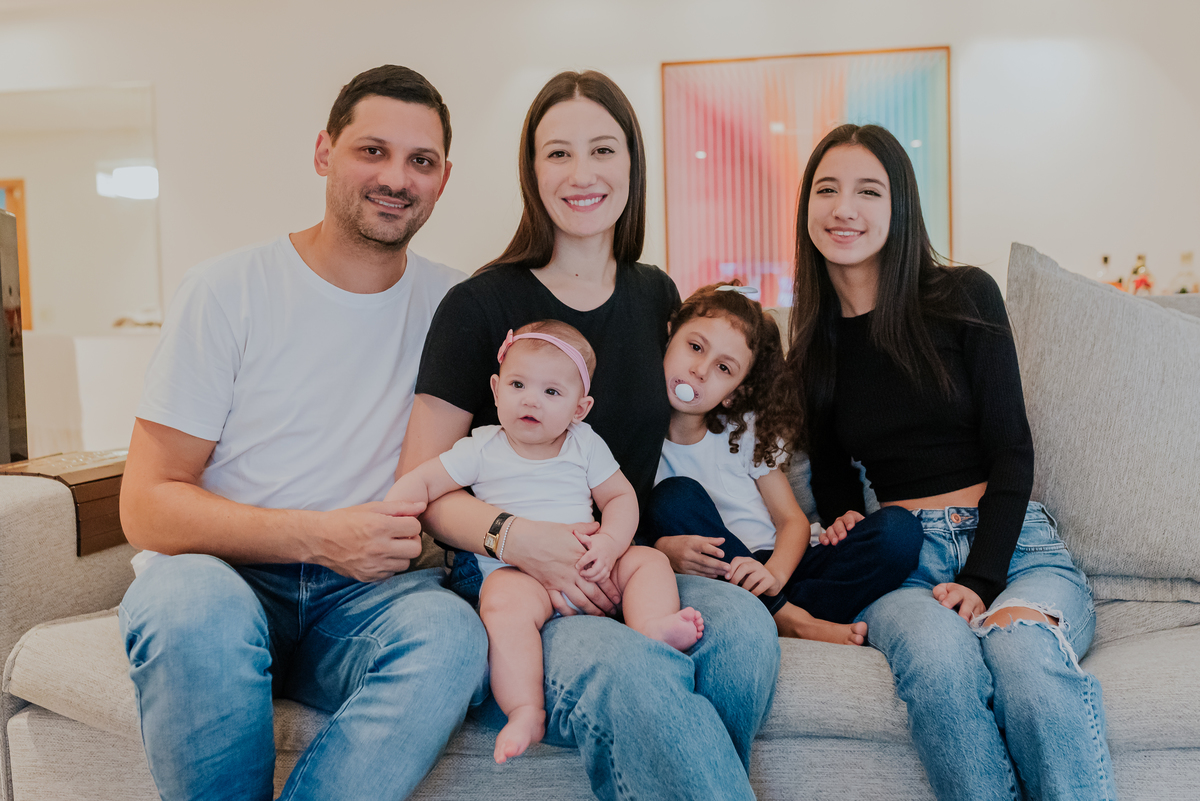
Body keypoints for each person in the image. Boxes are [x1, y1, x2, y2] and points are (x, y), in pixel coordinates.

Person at [399, 70, 778, 800]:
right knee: (638, 674)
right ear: (531, 170)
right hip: (521, 579)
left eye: (603, 150)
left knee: (746, 638)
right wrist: (517, 538)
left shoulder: (657, 297)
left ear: (633, 164)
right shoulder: (480, 303)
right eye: (558, 154)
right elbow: (426, 485)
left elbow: (679, 445)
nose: (582, 174)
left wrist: (648, 542)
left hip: (617, 558)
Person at [117, 65, 488, 801]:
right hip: (225, 574)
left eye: (421, 161)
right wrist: (319, 536)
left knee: (452, 638)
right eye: (371, 151)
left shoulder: (459, 304)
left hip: (371, 598)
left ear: (444, 179)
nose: (397, 178)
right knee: (186, 608)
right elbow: (146, 504)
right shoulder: (229, 290)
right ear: (324, 152)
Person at [788, 123, 1116, 799]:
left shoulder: (963, 294)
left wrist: (983, 576)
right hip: (905, 568)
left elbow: (1012, 448)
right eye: (827, 189)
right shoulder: (814, 346)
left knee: (1024, 662)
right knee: (939, 673)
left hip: (1014, 547)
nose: (844, 208)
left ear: (899, 206)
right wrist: (848, 515)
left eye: (867, 191)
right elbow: (830, 472)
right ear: (807, 208)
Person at [388, 319, 703, 764]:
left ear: (580, 407)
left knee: (648, 561)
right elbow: (422, 480)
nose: (531, 399)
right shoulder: (481, 447)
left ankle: (651, 626)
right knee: (499, 602)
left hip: (594, 563)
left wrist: (611, 544)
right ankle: (525, 709)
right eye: (518, 384)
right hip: (521, 577)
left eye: (552, 392)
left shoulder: (584, 444)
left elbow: (619, 497)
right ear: (496, 390)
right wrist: (396, 505)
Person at [646, 282, 922, 645]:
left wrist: (774, 573)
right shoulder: (634, 443)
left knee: (900, 531)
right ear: (669, 336)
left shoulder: (741, 432)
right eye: (695, 347)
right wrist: (664, 551)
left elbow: (791, 521)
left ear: (736, 394)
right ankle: (790, 618)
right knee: (673, 495)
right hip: (717, 575)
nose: (699, 370)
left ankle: (780, 611)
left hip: (780, 567)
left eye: (724, 368)